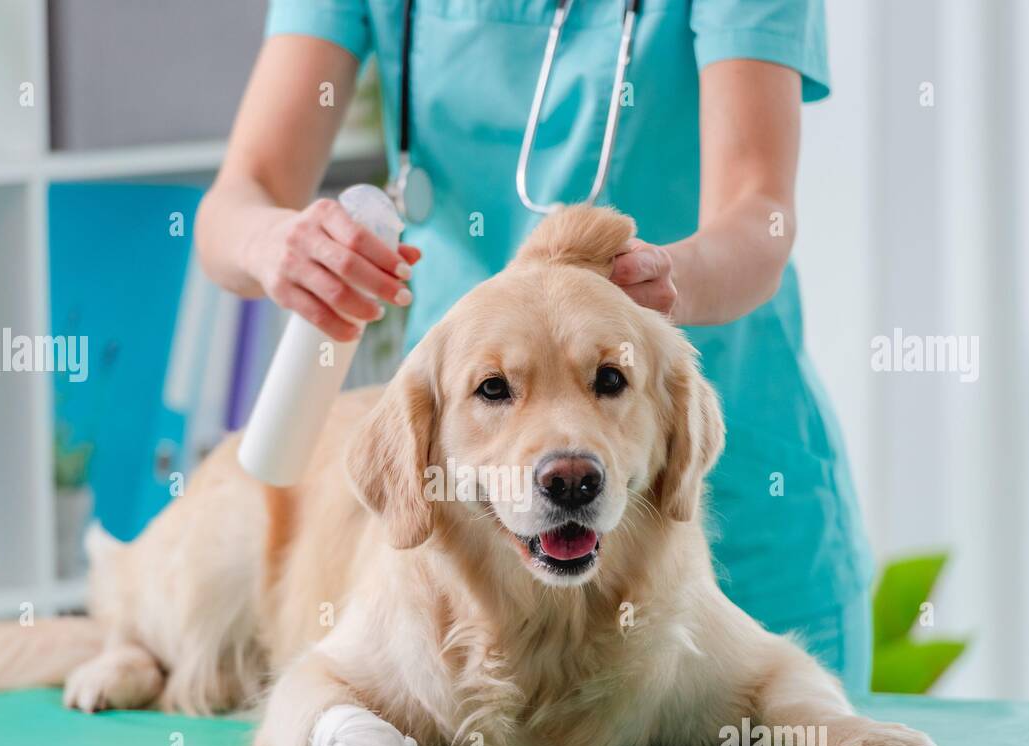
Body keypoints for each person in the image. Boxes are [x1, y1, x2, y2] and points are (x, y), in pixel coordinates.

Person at [196, 0, 874, 691]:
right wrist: (273, 242)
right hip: (479, 512)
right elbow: (238, 196)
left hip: (735, 500)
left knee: (784, 742)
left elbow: (760, 212)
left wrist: (668, 285)